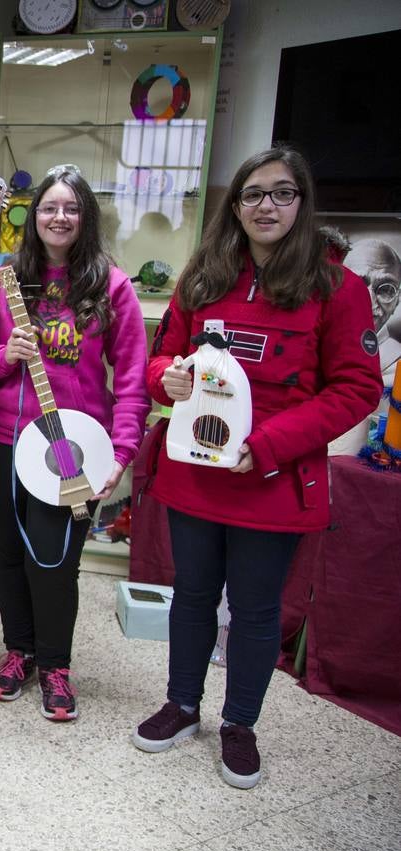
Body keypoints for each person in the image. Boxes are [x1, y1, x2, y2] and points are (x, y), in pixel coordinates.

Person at [132, 145, 380, 788]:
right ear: (235, 205)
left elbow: (356, 389)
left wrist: (265, 447)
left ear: (301, 203)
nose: (266, 205)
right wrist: (169, 379)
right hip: (195, 471)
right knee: (189, 592)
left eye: (281, 193)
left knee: (254, 607)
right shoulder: (202, 277)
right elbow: (160, 364)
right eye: (252, 194)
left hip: (272, 480)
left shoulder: (338, 288)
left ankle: (239, 723)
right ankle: (182, 705)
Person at [0, 165, 149, 721]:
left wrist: (120, 454)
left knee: (56, 560)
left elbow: (134, 379)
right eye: (49, 208)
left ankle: (56, 663)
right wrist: (4, 357)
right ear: (32, 216)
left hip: (71, 450)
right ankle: (18, 651)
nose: (59, 217)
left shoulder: (111, 285)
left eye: (70, 208)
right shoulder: (2, 282)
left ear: (85, 216)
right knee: (11, 555)